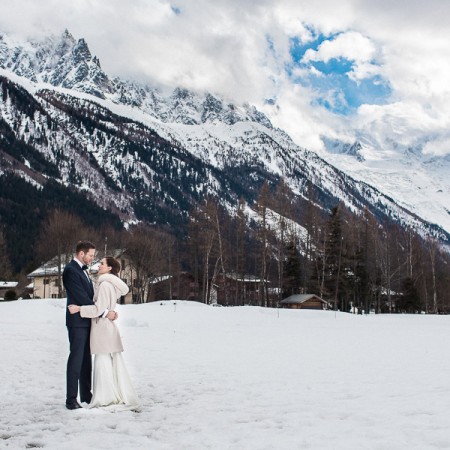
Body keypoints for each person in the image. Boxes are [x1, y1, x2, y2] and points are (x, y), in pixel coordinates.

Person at [68, 256, 140, 411]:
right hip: (106, 327)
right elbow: (105, 308)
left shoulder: (105, 285)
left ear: (109, 268)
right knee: (106, 361)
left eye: (102, 263)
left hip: (102, 328)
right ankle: (109, 394)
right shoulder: (109, 284)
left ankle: (105, 396)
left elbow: (98, 309)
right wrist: (109, 312)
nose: (99, 265)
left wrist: (79, 309)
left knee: (102, 361)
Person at [63, 241, 117, 410]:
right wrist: (104, 312)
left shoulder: (84, 272)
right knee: (76, 359)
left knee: (86, 360)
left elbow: (93, 298)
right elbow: (82, 298)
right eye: (91, 255)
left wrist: (108, 309)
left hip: (87, 321)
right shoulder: (71, 271)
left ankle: (86, 396)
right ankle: (71, 400)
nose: (93, 258)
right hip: (77, 323)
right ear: (81, 254)